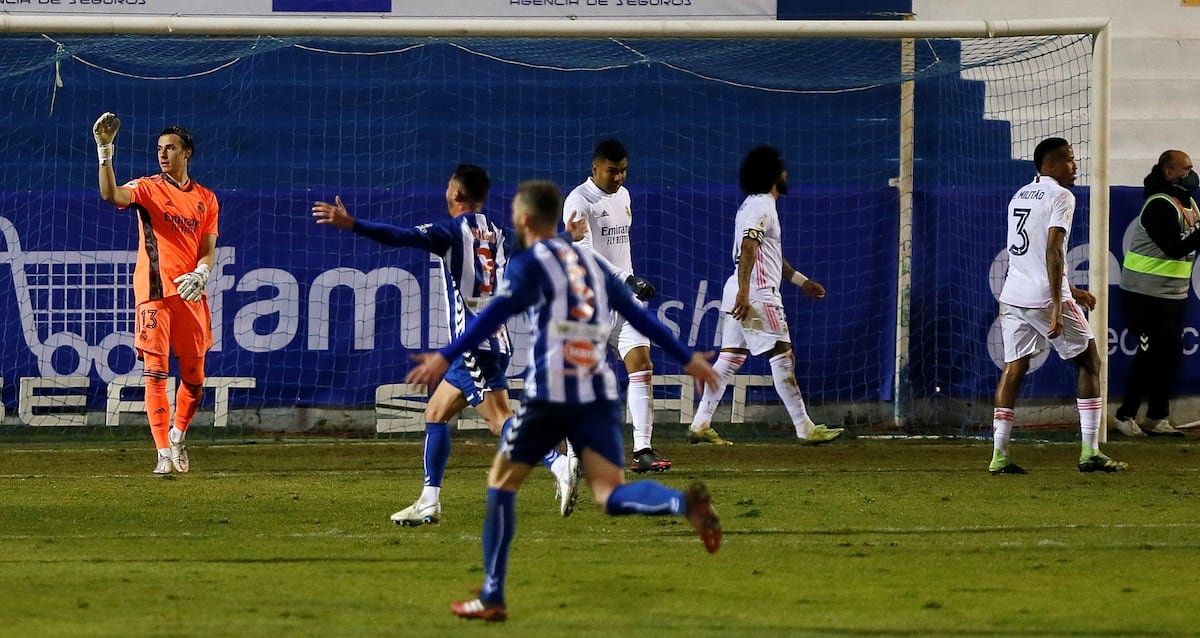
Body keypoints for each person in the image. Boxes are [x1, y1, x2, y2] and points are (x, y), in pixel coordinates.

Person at [407, 181, 723, 622]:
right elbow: (642, 320)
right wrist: (691, 360)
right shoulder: (594, 266)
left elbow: (491, 317)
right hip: (596, 396)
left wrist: (443, 356)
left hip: (551, 394)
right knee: (611, 494)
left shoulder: (527, 267)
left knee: (501, 485)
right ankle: (682, 505)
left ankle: (493, 594)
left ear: (525, 219)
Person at [313, 166, 580, 525]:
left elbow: (401, 236)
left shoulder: (452, 231)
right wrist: (568, 235)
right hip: (496, 340)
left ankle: (559, 464)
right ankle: (429, 500)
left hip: (473, 345)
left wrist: (353, 224)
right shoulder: (500, 232)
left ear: (457, 194)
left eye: (448, 186)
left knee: (500, 421)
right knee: (435, 413)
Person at [686, 145, 844, 446]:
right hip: (757, 293)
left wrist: (801, 281)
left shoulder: (752, 205)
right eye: (782, 169)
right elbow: (748, 247)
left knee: (729, 359)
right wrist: (746, 293)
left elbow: (769, 253)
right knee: (783, 354)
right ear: (773, 174)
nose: (786, 174)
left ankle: (700, 423)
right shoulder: (761, 206)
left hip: (742, 288)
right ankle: (804, 427)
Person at [990, 137, 1128, 474]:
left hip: (1014, 295)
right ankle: (1090, 452)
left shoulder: (1020, 194)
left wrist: (1072, 290)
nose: (1074, 165)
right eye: (1068, 159)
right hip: (1043, 298)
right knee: (1090, 363)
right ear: (1049, 165)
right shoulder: (1061, 195)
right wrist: (1057, 303)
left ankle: (999, 455)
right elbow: (1052, 249)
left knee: (1014, 368)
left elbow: (1033, 255)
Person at [93, 112, 218, 475]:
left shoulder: (206, 199)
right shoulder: (148, 188)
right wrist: (105, 151)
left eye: (171, 148)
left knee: (194, 380)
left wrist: (202, 271)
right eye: (160, 149)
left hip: (190, 295)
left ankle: (178, 435)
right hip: (153, 294)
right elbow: (110, 194)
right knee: (155, 373)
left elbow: (208, 247)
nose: (163, 154)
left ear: (187, 153)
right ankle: (163, 451)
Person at [562, 139, 669, 473]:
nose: (619, 177)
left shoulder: (624, 196)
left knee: (642, 365)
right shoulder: (578, 201)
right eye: (612, 171)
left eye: (623, 170)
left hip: (625, 302)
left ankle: (643, 450)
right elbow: (585, 253)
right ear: (595, 168)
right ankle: (574, 453)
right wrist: (626, 278)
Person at [1112, 150, 1200, 438]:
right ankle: (1124, 415)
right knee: (1148, 353)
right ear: (1169, 172)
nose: (1191, 173)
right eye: (1185, 169)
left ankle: (1156, 417)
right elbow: (1174, 247)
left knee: (1171, 353)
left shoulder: (1189, 204)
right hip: (1144, 293)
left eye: (1191, 168)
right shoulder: (1158, 205)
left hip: (1173, 293)